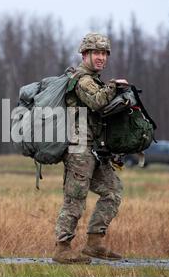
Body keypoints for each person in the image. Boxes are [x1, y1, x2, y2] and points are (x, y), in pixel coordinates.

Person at [53, 33, 127, 264]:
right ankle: (62, 248)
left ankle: (94, 243)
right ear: (84, 54)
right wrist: (114, 86)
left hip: (95, 149)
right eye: (96, 52)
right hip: (78, 148)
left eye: (104, 53)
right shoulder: (81, 79)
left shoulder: (96, 80)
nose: (101, 57)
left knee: (112, 191)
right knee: (75, 197)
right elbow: (96, 101)